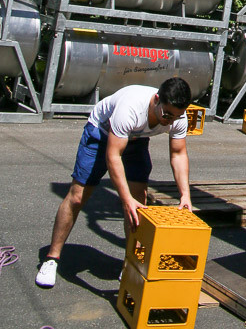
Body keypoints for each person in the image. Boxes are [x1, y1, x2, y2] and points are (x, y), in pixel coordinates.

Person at [35, 77, 193, 288]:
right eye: (166, 114)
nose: (169, 121)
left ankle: (131, 263)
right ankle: (51, 259)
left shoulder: (177, 117)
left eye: (176, 117)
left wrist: (185, 195)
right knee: (77, 196)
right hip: (101, 134)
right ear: (156, 99)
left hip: (136, 139)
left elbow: (178, 153)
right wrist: (125, 198)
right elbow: (113, 156)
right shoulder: (130, 108)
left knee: (139, 203)